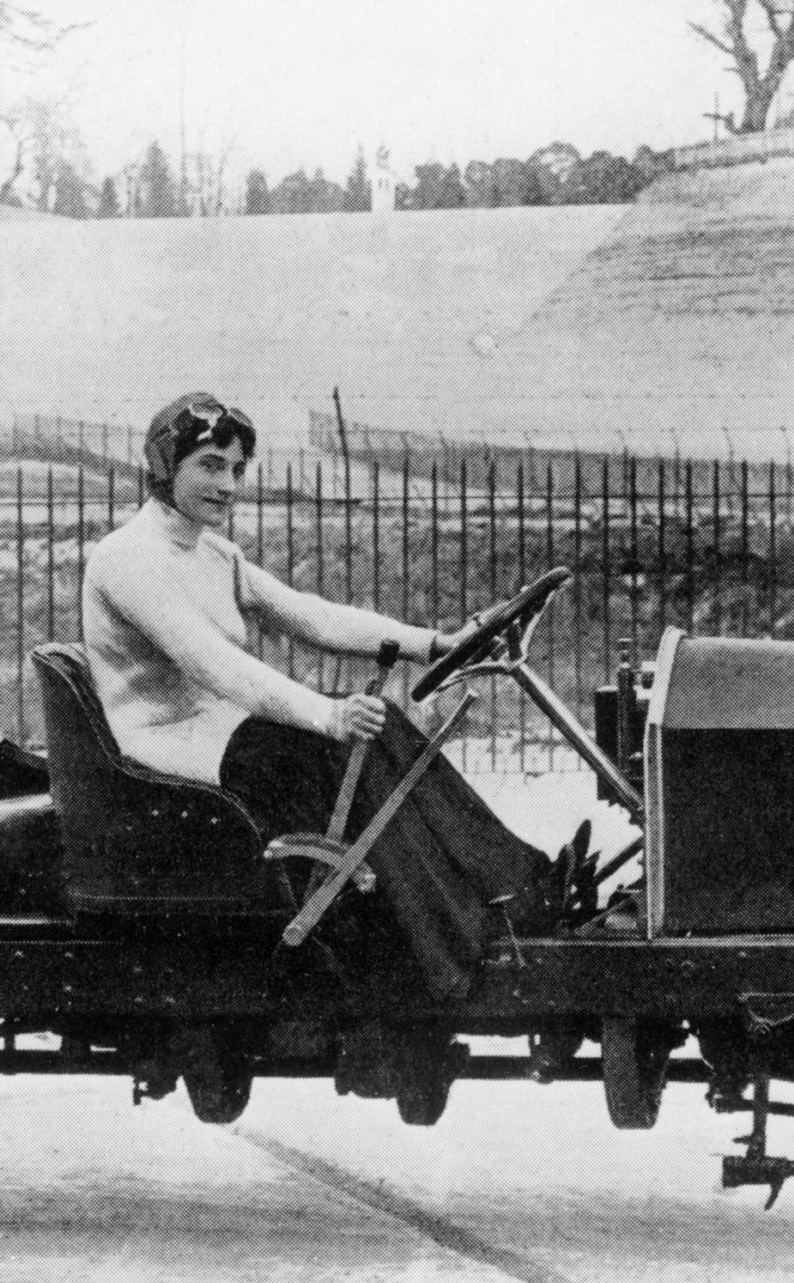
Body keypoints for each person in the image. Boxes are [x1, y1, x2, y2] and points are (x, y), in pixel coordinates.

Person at [80, 391, 564, 1002]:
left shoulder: (212, 552)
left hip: (222, 728)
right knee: (334, 749)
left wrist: (435, 643)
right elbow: (214, 663)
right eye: (208, 465)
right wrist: (327, 715)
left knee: (382, 726)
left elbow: (308, 615)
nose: (227, 485)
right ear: (163, 466)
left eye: (236, 470)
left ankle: (517, 887)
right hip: (167, 745)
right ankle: (450, 946)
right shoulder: (127, 558)